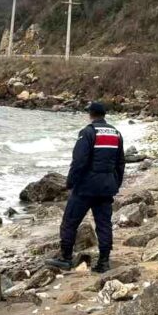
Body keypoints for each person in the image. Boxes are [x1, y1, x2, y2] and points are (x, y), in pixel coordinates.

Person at [44, 101, 125, 273]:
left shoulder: (87, 133)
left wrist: (70, 183)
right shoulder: (116, 134)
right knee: (104, 224)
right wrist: (115, 183)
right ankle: (103, 262)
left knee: (69, 222)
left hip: (86, 188)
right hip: (106, 187)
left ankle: (65, 258)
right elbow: (120, 163)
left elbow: (79, 162)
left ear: (91, 114)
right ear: (104, 115)